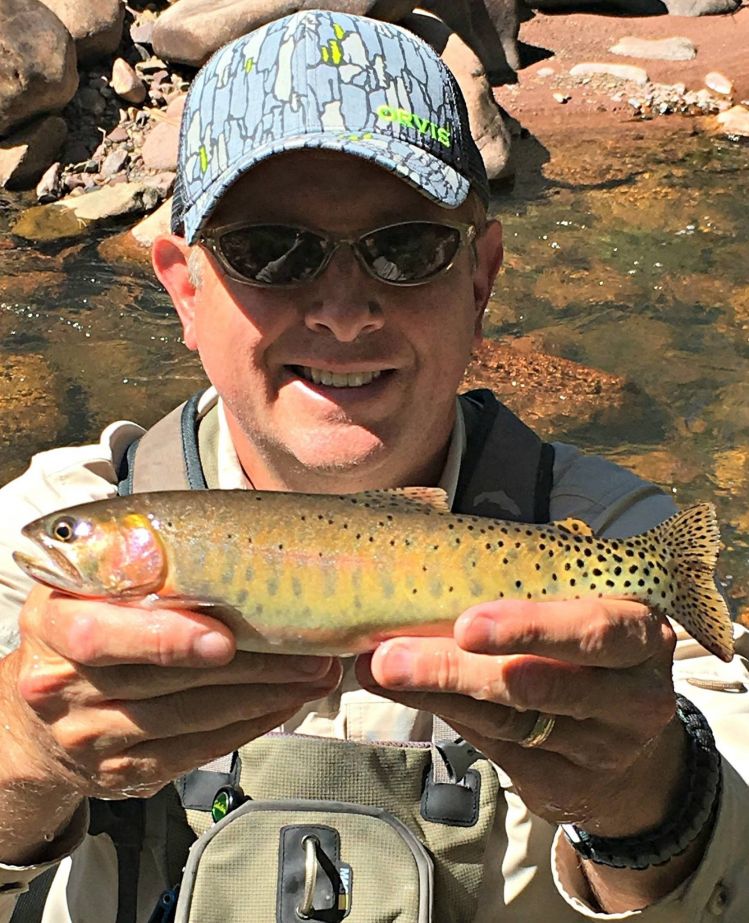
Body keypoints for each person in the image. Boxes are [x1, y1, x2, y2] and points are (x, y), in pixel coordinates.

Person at [0, 9, 747, 922]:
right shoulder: (34, 532)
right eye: (270, 251)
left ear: (481, 280)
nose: (345, 313)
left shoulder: (614, 540)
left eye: (405, 248)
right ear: (183, 288)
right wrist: (21, 767)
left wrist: (653, 811)